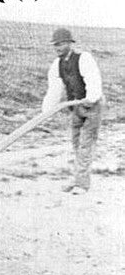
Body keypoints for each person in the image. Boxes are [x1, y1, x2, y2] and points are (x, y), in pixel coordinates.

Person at [42, 28, 103, 195]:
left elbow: (93, 79)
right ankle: (78, 179)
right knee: (76, 144)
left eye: (61, 44)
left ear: (70, 43)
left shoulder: (83, 58)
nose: (57, 48)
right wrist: (46, 111)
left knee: (85, 144)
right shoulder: (57, 65)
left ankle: (82, 185)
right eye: (55, 45)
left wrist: (91, 97)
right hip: (76, 107)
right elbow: (54, 89)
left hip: (92, 107)